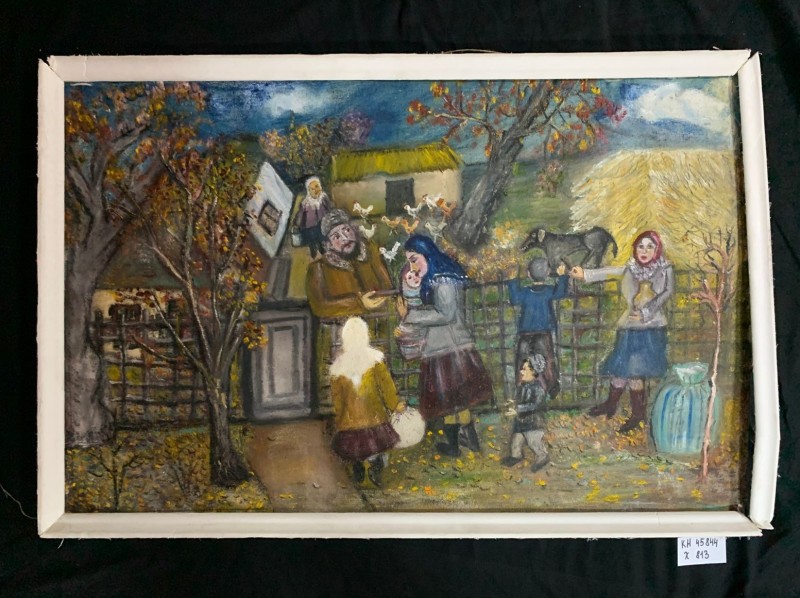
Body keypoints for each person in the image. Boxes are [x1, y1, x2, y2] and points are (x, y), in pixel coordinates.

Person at [395, 234, 495, 457]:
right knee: (456, 399)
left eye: (414, 259)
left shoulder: (443, 280)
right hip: (443, 346)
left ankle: (455, 445)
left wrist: (410, 315)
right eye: (409, 261)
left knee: (451, 399)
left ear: (426, 255)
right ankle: (467, 440)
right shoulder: (434, 278)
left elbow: (445, 314)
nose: (412, 266)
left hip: (449, 347)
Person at [570, 230, 674, 433]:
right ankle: (610, 404)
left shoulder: (664, 269)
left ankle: (637, 414)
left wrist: (645, 313)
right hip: (628, 328)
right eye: (640, 246)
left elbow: (667, 292)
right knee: (619, 369)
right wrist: (586, 274)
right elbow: (611, 271)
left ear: (657, 249)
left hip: (651, 328)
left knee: (635, 373)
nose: (644, 251)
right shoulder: (631, 267)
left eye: (650, 247)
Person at [329, 317, 405, 487]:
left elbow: (338, 399)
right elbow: (386, 387)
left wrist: (340, 418)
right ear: (365, 335)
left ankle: (358, 468)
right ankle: (375, 468)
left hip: (350, 421)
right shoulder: (375, 360)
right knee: (376, 445)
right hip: (374, 417)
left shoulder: (338, 368)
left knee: (354, 448)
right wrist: (394, 405)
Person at [305, 209, 393, 319]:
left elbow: (388, 287)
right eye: (336, 237)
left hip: (381, 319)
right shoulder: (318, 268)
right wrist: (359, 303)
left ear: (354, 230)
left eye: (346, 230)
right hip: (340, 326)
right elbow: (319, 307)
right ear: (329, 245)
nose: (345, 238)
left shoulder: (370, 251)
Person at [507, 257, 569, 399]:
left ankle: (521, 388)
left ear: (529, 274)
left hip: (525, 333)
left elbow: (514, 298)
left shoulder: (525, 292)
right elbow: (561, 292)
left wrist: (512, 280)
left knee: (523, 362)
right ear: (547, 273)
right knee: (547, 361)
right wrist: (562, 277)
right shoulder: (549, 291)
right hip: (544, 332)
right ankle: (551, 387)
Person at [501, 353, 550, 472]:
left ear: (533, 371)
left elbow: (535, 405)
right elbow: (520, 401)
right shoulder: (522, 387)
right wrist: (513, 403)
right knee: (516, 441)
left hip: (533, 422)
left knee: (534, 442)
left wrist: (518, 409)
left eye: (524, 369)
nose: (521, 372)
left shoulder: (538, 389)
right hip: (521, 421)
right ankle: (516, 456)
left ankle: (542, 456)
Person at [293, 176, 333, 258]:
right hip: (309, 226)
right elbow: (300, 214)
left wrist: (330, 216)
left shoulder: (324, 197)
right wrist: (297, 223)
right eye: (312, 189)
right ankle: (313, 248)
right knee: (311, 237)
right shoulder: (305, 203)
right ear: (309, 191)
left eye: (317, 186)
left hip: (322, 223)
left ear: (320, 186)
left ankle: (322, 247)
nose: (316, 190)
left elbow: (329, 207)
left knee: (322, 235)